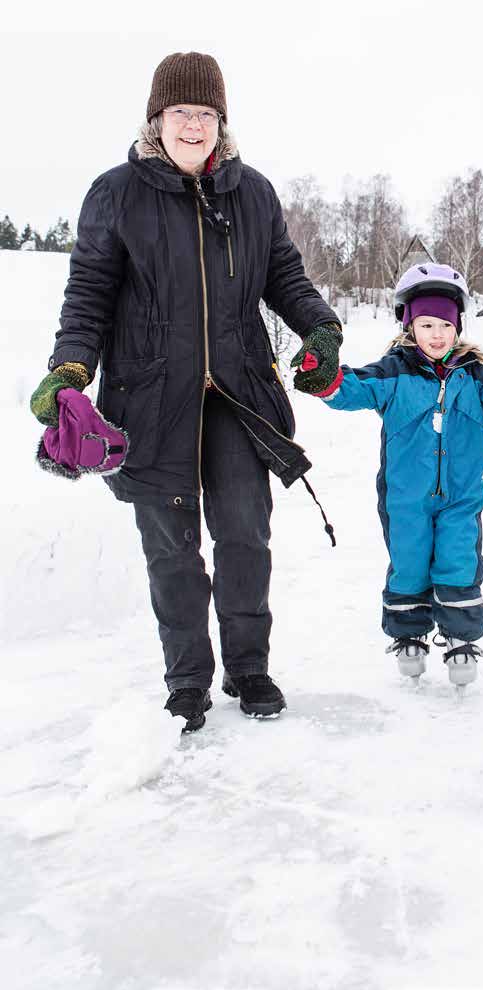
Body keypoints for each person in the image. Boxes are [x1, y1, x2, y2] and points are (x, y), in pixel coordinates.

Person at [30, 52, 342, 732]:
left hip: (237, 396)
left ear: (221, 122)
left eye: (205, 113)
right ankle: (187, 681)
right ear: (156, 119)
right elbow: (87, 296)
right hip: (150, 400)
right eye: (180, 112)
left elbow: (283, 275)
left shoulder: (252, 192)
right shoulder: (115, 194)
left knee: (244, 536)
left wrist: (320, 326)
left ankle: (248, 668)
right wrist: (70, 372)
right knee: (170, 548)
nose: (193, 125)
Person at [293, 264, 483, 686]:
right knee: (409, 562)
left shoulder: (474, 375)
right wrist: (325, 378)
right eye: (426, 324)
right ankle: (409, 633)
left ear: (458, 326)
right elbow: (354, 388)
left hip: (461, 495)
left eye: (445, 324)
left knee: (459, 560)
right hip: (405, 496)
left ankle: (461, 637)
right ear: (410, 326)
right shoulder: (395, 371)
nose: (437, 334)